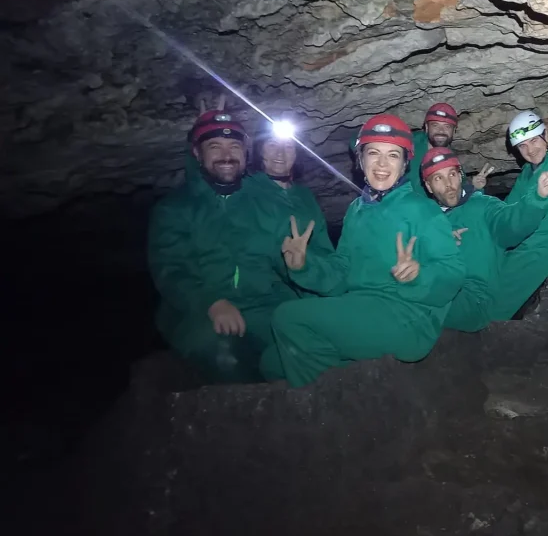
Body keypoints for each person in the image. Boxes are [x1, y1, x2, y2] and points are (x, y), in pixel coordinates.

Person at [261, 114, 465, 387]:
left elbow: (453, 272)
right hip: (361, 308)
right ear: (360, 159)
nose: (382, 164)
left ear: (405, 164)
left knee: (288, 318)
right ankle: (354, 385)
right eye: (373, 153)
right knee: (271, 362)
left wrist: (418, 275)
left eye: (393, 155)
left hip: (406, 317)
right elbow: (341, 272)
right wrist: (304, 265)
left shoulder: (421, 209)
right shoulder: (357, 211)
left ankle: (329, 406)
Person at [147, 98, 299, 384]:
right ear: (197, 154)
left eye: (234, 147)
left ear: (246, 153)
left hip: (262, 306)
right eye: (214, 147)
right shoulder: (176, 208)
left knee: (305, 346)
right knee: (226, 356)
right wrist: (212, 303)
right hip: (199, 311)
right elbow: (170, 270)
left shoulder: (263, 203)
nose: (226, 155)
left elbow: (284, 267)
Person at [421, 146, 548, 332]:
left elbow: (511, 223)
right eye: (438, 178)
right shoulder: (425, 222)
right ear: (428, 186)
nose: (448, 184)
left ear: (460, 175)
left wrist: (538, 197)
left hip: (474, 301)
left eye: (452, 174)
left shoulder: (482, 206)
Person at [486, 92, 548, 321]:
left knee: (502, 288)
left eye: (534, 140)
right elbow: (508, 212)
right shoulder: (524, 176)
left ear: (547, 136)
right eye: (522, 146)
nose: (530, 150)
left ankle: (485, 325)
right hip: (528, 241)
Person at [247, 116, 334, 293]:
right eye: (272, 144)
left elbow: (324, 248)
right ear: (259, 150)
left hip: (312, 285)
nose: (280, 153)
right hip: (268, 293)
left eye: (288, 146)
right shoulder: (245, 190)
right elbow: (206, 187)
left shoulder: (304, 196)